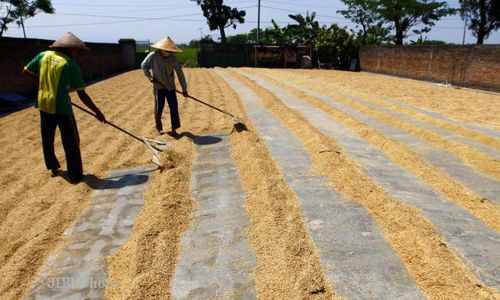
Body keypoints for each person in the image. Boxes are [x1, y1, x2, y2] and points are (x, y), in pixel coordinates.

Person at [23, 32, 106, 184]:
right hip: (61, 107)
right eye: (77, 51)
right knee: (71, 141)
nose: (78, 54)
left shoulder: (43, 55)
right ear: (70, 49)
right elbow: (82, 95)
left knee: (47, 137)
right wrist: (98, 112)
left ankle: (53, 167)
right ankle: (75, 175)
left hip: (43, 103)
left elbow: (26, 71)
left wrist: (43, 84)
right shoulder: (70, 65)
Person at [141, 36, 188, 137]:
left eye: (170, 51)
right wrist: (149, 77)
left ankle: (174, 129)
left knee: (174, 107)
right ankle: (158, 128)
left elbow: (180, 74)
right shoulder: (153, 56)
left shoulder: (173, 59)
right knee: (159, 107)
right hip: (158, 87)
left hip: (170, 87)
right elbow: (143, 66)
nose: (168, 52)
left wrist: (184, 89)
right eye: (166, 50)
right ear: (161, 49)